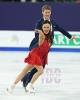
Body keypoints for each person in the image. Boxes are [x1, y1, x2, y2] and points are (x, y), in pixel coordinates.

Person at [21, 4, 76, 91]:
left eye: (48, 12)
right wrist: (45, 38)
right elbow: (36, 36)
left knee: (40, 67)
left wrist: (70, 37)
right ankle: (27, 83)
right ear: (42, 12)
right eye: (45, 12)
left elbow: (61, 29)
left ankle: (26, 79)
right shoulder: (39, 23)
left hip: (45, 49)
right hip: (36, 47)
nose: (47, 14)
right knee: (39, 67)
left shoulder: (52, 22)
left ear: (50, 12)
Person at [7, 20, 53, 93]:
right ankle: (30, 85)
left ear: (50, 28)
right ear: (42, 27)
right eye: (44, 27)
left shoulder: (49, 37)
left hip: (36, 55)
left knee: (24, 71)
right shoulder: (42, 36)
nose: (46, 29)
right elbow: (42, 36)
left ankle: (11, 86)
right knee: (40, 71)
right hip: (35, 55)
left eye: (48, 27)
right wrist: (40, 32)